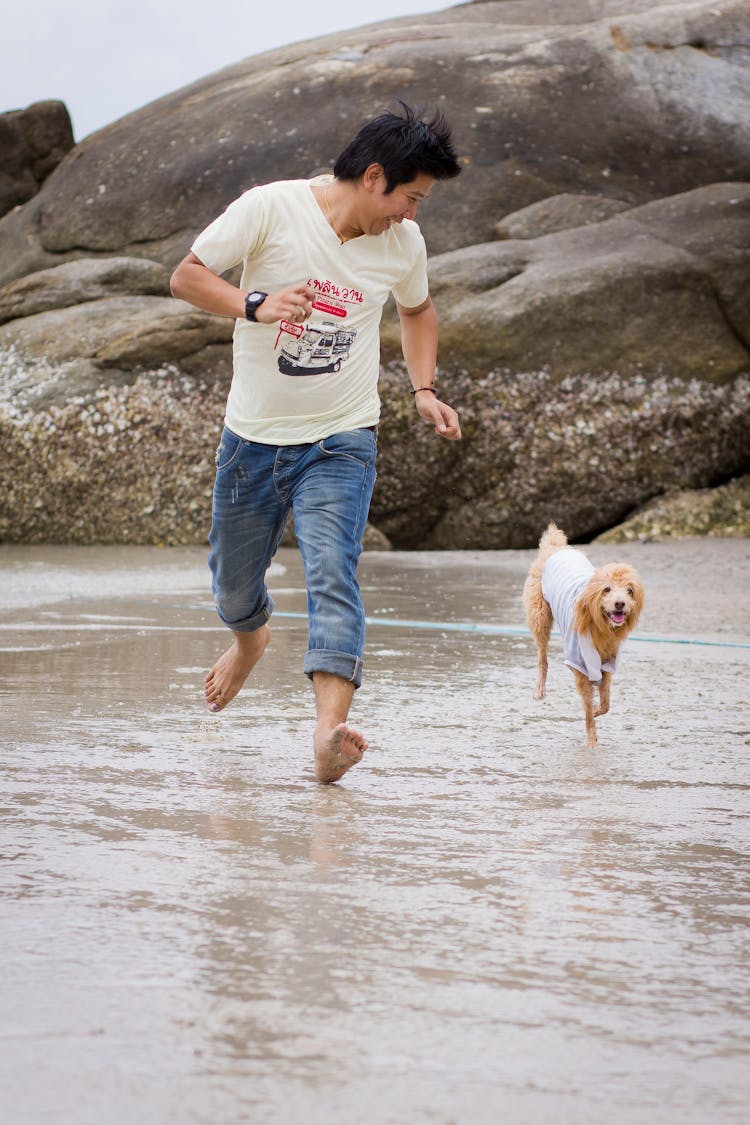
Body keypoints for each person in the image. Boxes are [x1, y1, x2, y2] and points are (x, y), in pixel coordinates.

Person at [170, 102, 462, 783]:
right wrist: (256, 303)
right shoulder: (270, 209)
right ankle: (250, 640)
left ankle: (329, 732)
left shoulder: (402, 247)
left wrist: (422, 389)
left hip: (342, 436)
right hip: (254, 439)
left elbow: (418, 311)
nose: (412, 215)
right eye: (410, 198)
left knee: (335, 572)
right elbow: (185, 275)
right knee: (234, 587)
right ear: (372, 177)